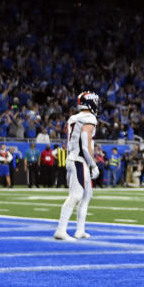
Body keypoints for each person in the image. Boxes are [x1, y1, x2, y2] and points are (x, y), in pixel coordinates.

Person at [54, 92, 100, 240]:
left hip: (74, 158)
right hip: (80, 160)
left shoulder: (74, 118)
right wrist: (93, 164)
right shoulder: (89, 118)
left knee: (87, 196)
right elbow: (86, 146)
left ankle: (80, 230)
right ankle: (61, 229)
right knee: (76, 196)